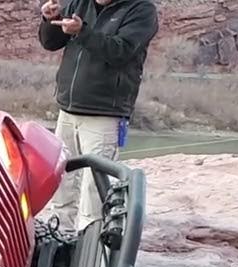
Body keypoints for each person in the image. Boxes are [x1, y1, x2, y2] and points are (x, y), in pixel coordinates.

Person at [39, 0, 158, 234]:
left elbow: (120, 51)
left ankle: (88, 249)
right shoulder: (80, 3)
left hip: (104, 113)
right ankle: (58, 240)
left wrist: (82, 32)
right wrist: (49, 20)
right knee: (62, 181)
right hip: (68, 109)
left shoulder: (141, 10)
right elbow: (51, 43)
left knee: (94, 190)